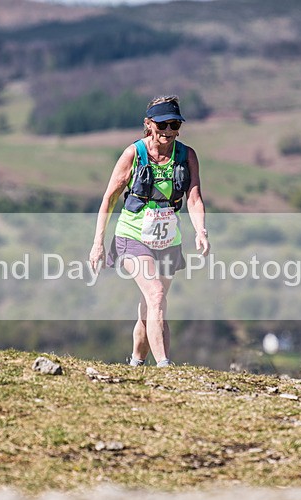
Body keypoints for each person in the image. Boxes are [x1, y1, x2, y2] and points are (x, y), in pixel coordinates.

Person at [89, 95, 210, 368]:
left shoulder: (186, 155)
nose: (168, 131)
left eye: (175, 125)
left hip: (168, 239)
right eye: (162, 125)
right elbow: (109, 198)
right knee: (155, 294)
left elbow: (193, 197)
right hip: (132, 236)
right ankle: (165, 366)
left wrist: (201, 231)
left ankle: (136, 363)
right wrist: (98, 243)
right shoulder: (134, 154)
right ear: (148, 124)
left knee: (153, 307)